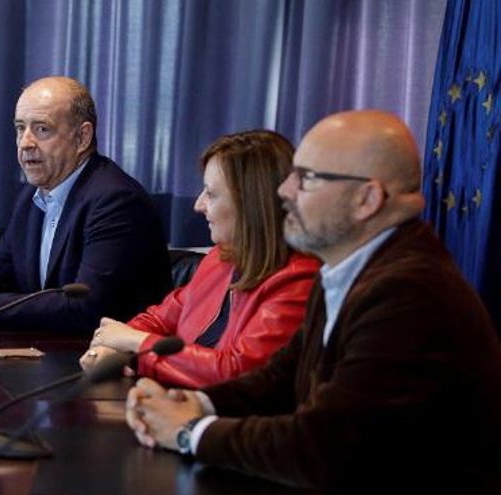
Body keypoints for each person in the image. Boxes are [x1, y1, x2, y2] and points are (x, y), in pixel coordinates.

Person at [124, 110, 501, 490]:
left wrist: (191, 431)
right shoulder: (347, 268)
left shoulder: (409, 293)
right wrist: (195, 405)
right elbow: (279, 379)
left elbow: (326, 447)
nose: (285, 191)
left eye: (306, 178)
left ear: (366, 199)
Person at [0, 76, 170, 332]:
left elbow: (88, 307)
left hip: (106, 362)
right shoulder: (33, 196)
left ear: (82, 137)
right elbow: (1, 270)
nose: (26, 142)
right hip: (50, 350)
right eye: (20, 128)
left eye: (42, 129)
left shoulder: (115, 201)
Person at [80, 131, 319, 388]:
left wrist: (134, 345)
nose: (198, 205)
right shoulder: (220, 259)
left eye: (211, 193)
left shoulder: (298, 279)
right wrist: (114, 349)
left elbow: (234, 373)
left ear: (250, 204)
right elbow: (158, 319)